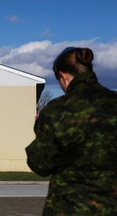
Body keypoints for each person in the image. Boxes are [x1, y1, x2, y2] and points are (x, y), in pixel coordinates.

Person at [26, 47, 117, 215]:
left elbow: (40, 164)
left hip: (69, 208)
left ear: (63, 76)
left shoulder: (57, 111)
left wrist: (41, 130)